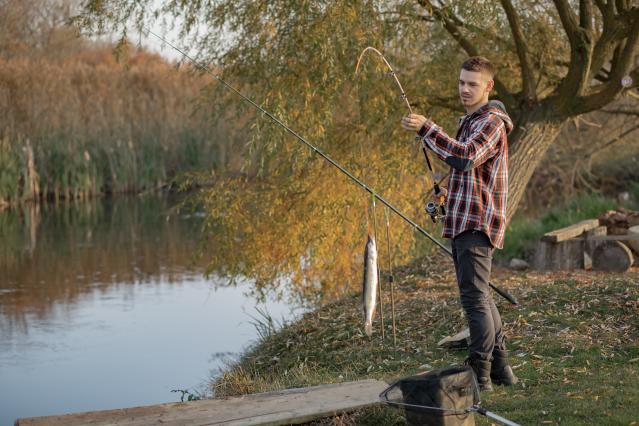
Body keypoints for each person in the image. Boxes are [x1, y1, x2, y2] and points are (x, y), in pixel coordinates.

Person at [400, 56, 518, 392]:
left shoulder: (492, 122)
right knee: (481, 296)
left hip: (477, 223)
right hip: (464, 218)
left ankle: (479, 373)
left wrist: (427, 128)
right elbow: (466, 171)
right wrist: (445, 192)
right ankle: (500, 368)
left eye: (472, 84)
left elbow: (465, 156)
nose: (465, 89)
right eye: (461, 82)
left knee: (474, 299)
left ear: (488, 87)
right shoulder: (471, 120)